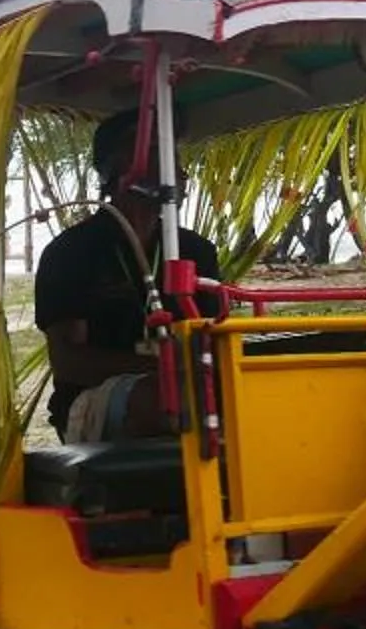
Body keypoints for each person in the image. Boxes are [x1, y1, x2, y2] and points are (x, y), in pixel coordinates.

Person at [31, 108, 222, 440]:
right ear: (114, 168)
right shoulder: (70, 252)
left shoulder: (197, 250)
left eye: (172, 153)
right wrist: (162, 368)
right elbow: (68, 361)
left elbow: (214, 336)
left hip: (183, 384)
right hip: (91, 399)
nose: (173, 166)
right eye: (153, 150)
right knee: (169, 396)